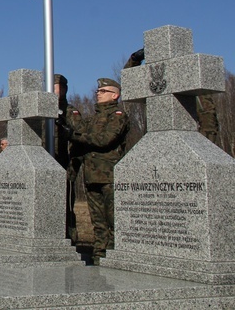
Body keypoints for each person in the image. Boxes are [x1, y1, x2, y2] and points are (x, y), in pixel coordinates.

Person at [64, 78, 128, 265]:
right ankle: (99, 256)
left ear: (115, 95)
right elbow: (79, 142)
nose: (98, 93)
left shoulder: (118, 116)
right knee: (98, 223)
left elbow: (104, 140)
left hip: (110, 176)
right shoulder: (91, 119)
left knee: (114, 220)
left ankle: (117, 256)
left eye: (103, 91)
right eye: (97, 91)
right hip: (91, 176)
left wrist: (76, 135)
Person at [125, 48, 219, 143]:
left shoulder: (194, 91)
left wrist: (203, 146)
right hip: (156, 138)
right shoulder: (152, 84)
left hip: (188, 141)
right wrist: (134, 60)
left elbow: (209, 121)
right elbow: (129, 82)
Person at [49, 74, 83, 242]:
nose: (50, 90)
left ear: (62, 89)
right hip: (47, 167)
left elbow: (79, 139)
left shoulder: (71, 112)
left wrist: (72, 167)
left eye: (53, 87)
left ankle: (70, 241)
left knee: (65, 209)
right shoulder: (43, 111)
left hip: (64, 165)